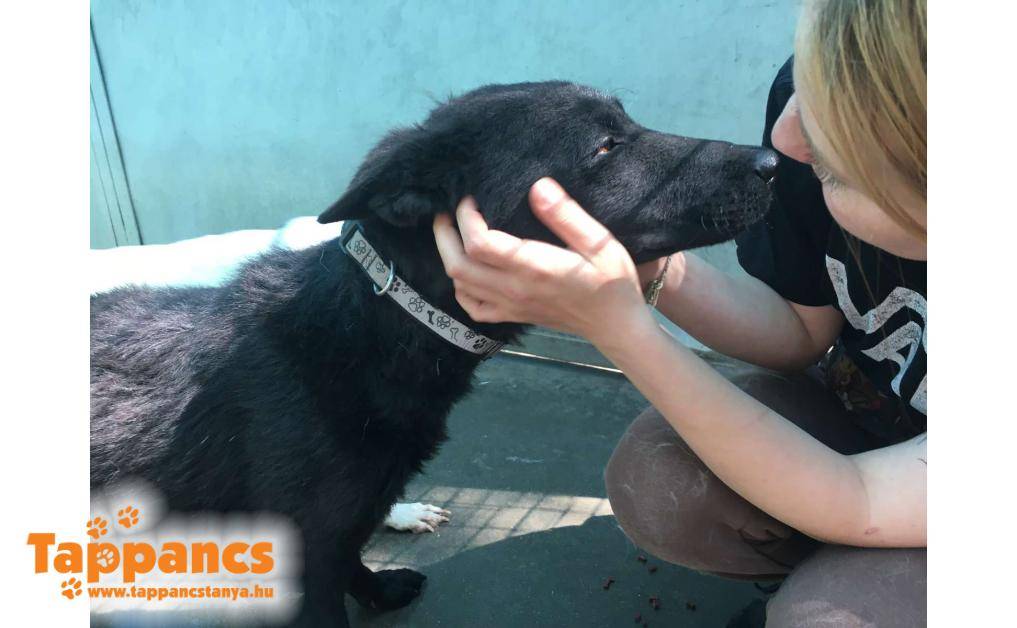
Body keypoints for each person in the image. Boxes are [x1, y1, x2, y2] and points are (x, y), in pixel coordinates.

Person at [432, 0, 926, 625]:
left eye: (835, 163)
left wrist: (618, 329)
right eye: (808, 79)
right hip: (879, 417)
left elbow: (861, 498)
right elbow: (802, 331)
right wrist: (644, 270)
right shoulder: (819, 100)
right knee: (661, 480)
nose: (783, 141)